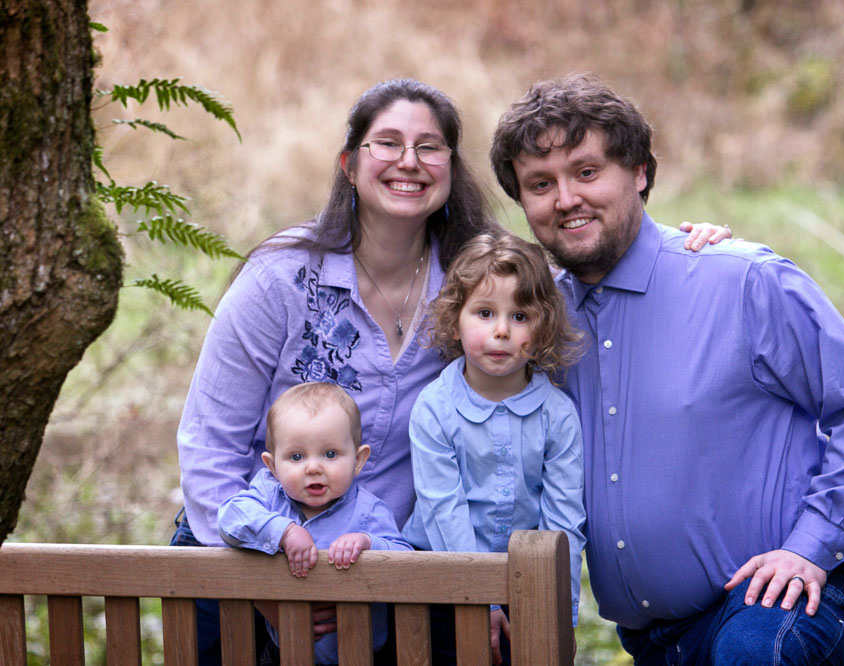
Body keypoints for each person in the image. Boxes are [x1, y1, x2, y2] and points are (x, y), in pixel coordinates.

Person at [170, 77, 730, 664]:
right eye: (386, 143)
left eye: (429, 146)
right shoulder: (281, 278)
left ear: (450, 167)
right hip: (246, 555)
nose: (408, 162)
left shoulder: (473, 286)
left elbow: (560, 290)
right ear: (348, 163)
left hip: (379, 572)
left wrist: (680, 249)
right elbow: (209, 447)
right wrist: (259, 581)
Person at [489, 74, 844, 665]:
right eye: (540, 184)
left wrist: (811, 548)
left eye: (586, 172)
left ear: (638, 172)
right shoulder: (538, 326)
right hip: (653, 641)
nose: (565, 199)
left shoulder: (742, 282)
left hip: (778, 609)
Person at [402, 232, 586, 665]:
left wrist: (564, 614)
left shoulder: (557, 414)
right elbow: (442, 509)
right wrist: (476, 602)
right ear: (454, 321)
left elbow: (565, 520)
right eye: (484, 313)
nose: (501, 330)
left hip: (526, 588)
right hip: (440, 583)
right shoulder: (435, 409)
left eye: (520, 316)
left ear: (544, 327)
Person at [218, 382, 411, 664]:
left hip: (362, 654)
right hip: (283, 653)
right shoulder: (269, 496)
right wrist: (284, 530)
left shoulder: (369, 511)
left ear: (358, 460)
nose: (313, 467)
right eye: (296, 457)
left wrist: (368, 543)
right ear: (272, 467)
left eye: (330, 454)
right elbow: (229, 516)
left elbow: (407, 561)